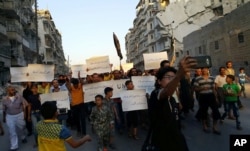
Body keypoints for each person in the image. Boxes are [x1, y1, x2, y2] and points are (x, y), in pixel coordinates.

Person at [148, 56, 195, 151]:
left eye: (173, 78)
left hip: (176, 136)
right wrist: (178, 75)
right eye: (168, 77)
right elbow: (166, 92)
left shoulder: (172, 99)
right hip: (162, 139)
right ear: (159, 81)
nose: (172, 80)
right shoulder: (156, 93)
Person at [194, 67, 221, 134]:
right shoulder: (197, 79)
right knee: (203, 111)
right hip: (203, 96)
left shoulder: (212, 78)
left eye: (205, 70)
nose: (204, 71)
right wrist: (202, 88)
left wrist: (216, 97)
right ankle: (204, 126)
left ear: (208, 71)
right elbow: (195, 88)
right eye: (203, 71)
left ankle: (214, 127)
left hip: (211, 96)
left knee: (215, 111)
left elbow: (214, 89)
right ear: (201, 71)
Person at [2, 85, 29, 151]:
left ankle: (23, 136)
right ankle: (14, 146)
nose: (13, 91)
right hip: (10, 116)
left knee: (22, 127)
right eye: (11, 90)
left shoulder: (19, 96)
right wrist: (4, 117)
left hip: (19, 115)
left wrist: (25, 114)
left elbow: (25, 104)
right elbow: (4, 109)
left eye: (13, 89)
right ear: (7, 91)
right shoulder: (4, 99)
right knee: (12, 131)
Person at [27, 83, 42, 147]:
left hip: (41, 113)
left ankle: (43, 141)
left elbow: (44, 104)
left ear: (37, 88)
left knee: (42, 128)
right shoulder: (29, 97)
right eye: (33, 88)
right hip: (33, 113)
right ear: (31, 89)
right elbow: (29, 106)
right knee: (35, 129)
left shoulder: (40, 95)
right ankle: (37, 142)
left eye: (35, 88)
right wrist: (28, 115)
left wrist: (40, 100)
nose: (34, 89)